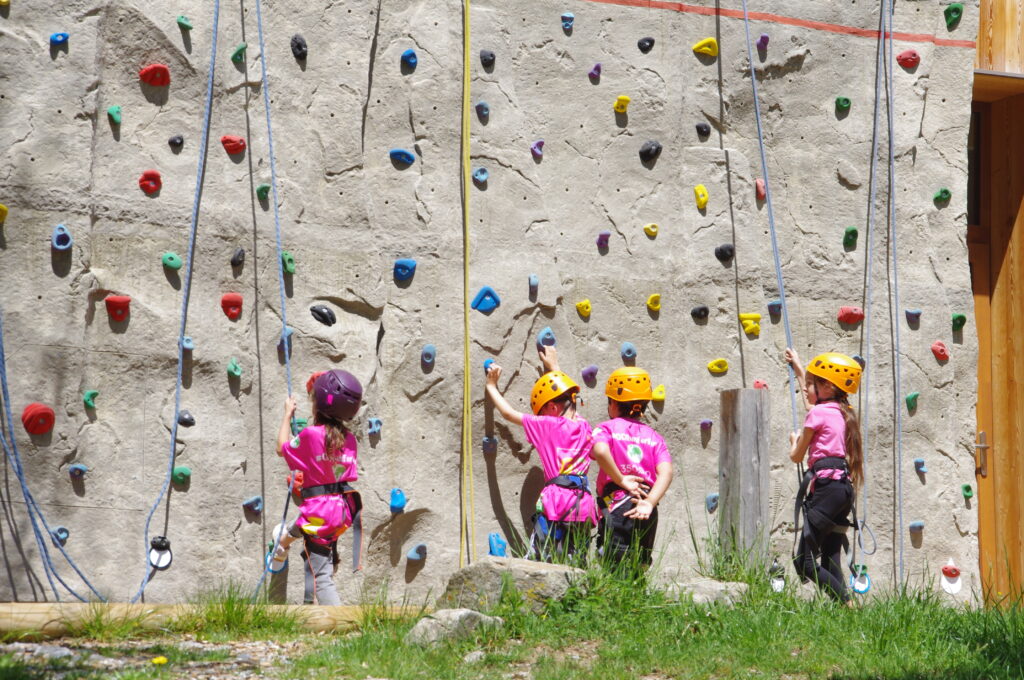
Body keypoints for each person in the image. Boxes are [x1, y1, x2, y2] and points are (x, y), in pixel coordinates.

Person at [484, 347, 598, 564]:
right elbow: (570, 401)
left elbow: (508, 414)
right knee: (576, 562)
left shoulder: (547, 424)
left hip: (556, 501)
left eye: (542, 411)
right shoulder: (585, 427)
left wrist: (491, 386)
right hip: (582, 504)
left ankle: (518, 573)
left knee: (542, 557)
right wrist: (554, 366)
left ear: (552, 407)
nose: (540, 416)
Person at [268, 369, 363, 605]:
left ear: (317, 405)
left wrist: (287, 414)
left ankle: (341, 621)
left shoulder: (311, 435)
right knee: (309, 529)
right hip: (341, 510)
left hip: (320, 512)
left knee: (322, 576)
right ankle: (283, 543)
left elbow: (281, 448)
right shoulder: (350, 440)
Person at [785, 349, 864, 604]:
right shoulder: (842, 410)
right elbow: (812, 403)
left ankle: (848, 605)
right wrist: (800, 370)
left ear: (827, 387)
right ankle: (846, 611)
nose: (806, 388)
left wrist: (794, 441)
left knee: (804, 562)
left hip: (827, 489)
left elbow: (796, 456)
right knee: (830, 559)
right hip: (842, 489)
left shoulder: (818, 414)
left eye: (811, 383)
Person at [590, 367, 673, 574]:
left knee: (612, 563)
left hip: (617, 504)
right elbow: (667, 472)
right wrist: (650, 502)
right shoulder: (654, 437)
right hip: (645, 508)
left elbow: (600, 450)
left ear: (613, 403)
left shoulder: (606, 428)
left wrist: (621, 479)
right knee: (639, 565)